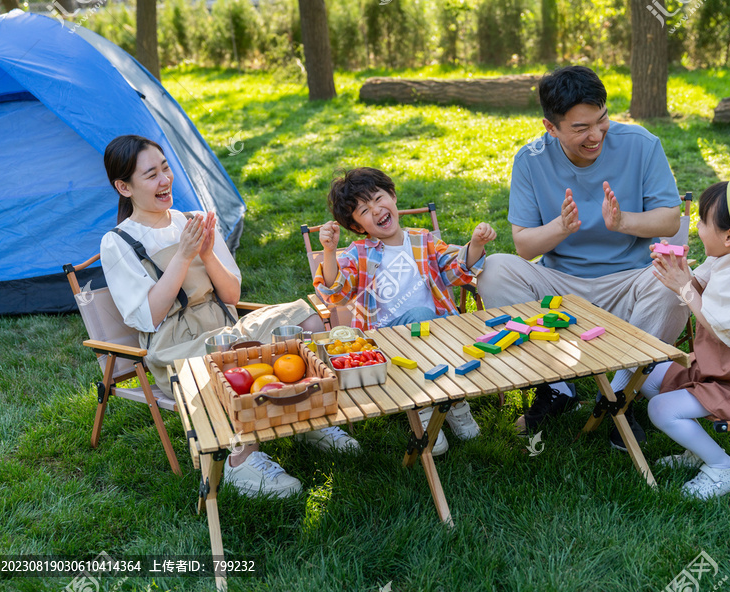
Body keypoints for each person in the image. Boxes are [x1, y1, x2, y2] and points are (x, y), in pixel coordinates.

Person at [100, 135, 358, 499]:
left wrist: (207, 254)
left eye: (165, 168)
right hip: (176, 346)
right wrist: (184, 256)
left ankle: (306, 418)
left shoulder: (191, 220)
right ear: (124, 187)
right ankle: (240, 461)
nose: (165, 180)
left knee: (308, 320)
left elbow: (232, 295)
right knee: (230, 362)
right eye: (151, 175)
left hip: (224, 328)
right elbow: (148, 317)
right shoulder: (118, 242)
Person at [476, 66, 690, 448]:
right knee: (493, 270)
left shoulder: (641, 143)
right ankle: (558, 387)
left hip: (630, 281)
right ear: (551, 126)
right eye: (580, 128)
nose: (596, 135)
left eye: (601, 120)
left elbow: (671, 218)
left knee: (676, 285)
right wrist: (561, 226)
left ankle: (618, 396)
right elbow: (524, 246)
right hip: (561, 288)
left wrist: (623, 221)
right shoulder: (530, 159)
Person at [313, 167, 496, 456]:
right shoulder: (359, 254)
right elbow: (337, 293)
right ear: (358, 226)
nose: (376, 210)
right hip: (391, 343)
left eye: (377, 198)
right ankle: (424, 410)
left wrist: (476, 244)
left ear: (393, 196)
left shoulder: (422, 240)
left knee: (429, 320)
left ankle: (455, 406)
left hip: (440, 334)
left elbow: (456, 270)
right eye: (363, 210)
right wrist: (328, 251)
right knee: (420, 317)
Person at [639, 178, 730, 499]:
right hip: (719, 369)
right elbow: (698, 286)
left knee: (661, 409)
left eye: (703, 222)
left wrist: (683, 287)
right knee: (648, 377)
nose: (698, 229)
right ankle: (699, 449)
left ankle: (723, 466)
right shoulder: (728, 256)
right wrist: (678, 270)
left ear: (729, 236)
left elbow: (716, 324)